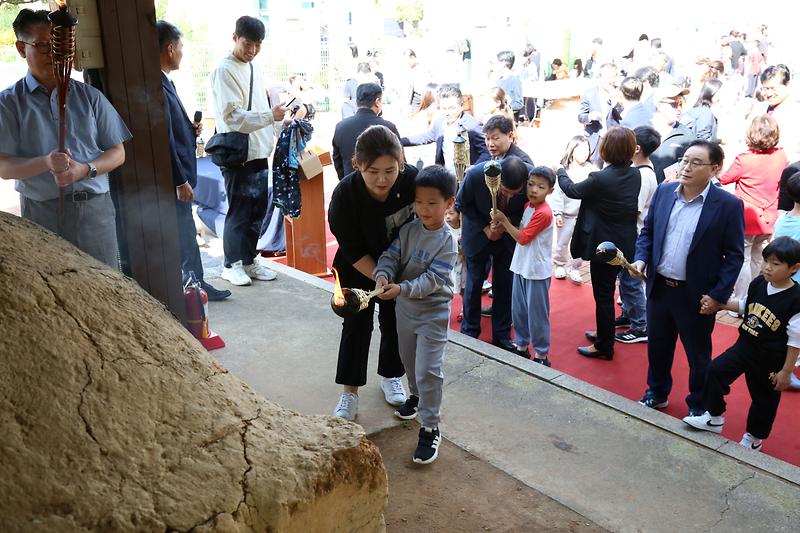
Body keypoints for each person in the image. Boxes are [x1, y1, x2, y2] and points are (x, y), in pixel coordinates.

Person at [0, 9, 132, 269]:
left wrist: (85, 169)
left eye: (56, 45)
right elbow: (4, 167)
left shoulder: (90, 97)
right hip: (41, 214)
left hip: (95, 211)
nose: (52, 53)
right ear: (20, 48)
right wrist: (46, 162)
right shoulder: (8, 103)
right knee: (56, 291)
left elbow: (118, 152)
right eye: (42, 46)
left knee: (104, 288)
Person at [632, 140, 744, 415]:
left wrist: (718, 295)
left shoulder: (728, 205)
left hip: (696, 294)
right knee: (658, 348)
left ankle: (698, 405)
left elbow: (734, 256)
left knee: (698, 355)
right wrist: (641, 258)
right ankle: (656, 393)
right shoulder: (664, 191)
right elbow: (648, 232)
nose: (686, 167)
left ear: (715, 169)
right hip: (659, 287)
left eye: (696, 162)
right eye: (684, 160)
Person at [328, 125, 416, 421]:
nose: (383, 179)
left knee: (394, 323)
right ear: (357, 165)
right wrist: (380, 277)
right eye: (373, 171)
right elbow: (352, 249)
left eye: (390, 170)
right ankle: (349, 393)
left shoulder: (413, 181)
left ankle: (391, 374)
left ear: (401, 162)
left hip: (399, 269)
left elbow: (434, 209)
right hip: (357, 267)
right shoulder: (344, 197)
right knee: (356, 327)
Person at [683, 237, 800, 452]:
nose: (767, 267)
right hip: (745, 344)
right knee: (715, 371)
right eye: (766, 261)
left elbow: (795, 340)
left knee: (764, 398)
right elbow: (746, 305)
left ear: (794, 268)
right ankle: (714, 417)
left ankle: (754, 438)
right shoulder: (759, 283)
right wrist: (717, 304)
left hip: (770, 358)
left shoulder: (796, 299)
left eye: (775, 264)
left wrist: (786, 371)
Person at [374, 165, 458, 464]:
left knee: (428, 371)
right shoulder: (409, 230)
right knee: (409, 362)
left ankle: (430, 426)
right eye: (419, 202)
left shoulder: (448, 241)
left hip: (433, 313)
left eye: (432, 203)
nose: (423, 208)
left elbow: (431, 281)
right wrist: (383, 275)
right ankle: (416, 396)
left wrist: (401, 289)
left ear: (449, 203)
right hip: (404, 311)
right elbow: (390, 256)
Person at [210, 16, 287, 287]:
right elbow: (233, 118)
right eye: (247, 43)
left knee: (257, 209)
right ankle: (230, 265)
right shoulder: (224, 69)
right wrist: (270, 116)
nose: (252, 50)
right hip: (236, 152)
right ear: (234, 37)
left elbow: (258, 111)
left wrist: (278, 121)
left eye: (258, 44)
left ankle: (249, 261)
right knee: (239, 209)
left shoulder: (254, 67)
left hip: (257, 149)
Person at [157, 20, 230, 301]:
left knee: (185, 232)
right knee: (185, 235)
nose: (183, 53)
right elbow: (163, 139)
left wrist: (190, 129)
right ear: (170, 48)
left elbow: (172, 130)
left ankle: (195, 284)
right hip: (175, 178)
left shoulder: (164, 81)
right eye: (182, 47)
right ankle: (194, 288)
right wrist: (179, 180)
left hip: (179, 175)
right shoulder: (157, 85)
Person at [556, 127, 641, 360]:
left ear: (606, 150)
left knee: (603, 295)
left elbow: (572, 190)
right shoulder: (634, 174)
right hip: (624, 241)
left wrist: (561, 171)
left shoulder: (600, 178)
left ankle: (604, 345)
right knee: (608, 291)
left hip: (603, 246)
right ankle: (605, 332)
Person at [456, 156, 530, 353]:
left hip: (506, 239)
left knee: (505, 285)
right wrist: (485, 228)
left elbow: (529, 209)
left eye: (515, 193)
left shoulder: (530, 176)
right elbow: (462, 203)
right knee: (474, 284)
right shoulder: (475, 175)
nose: (510, 196)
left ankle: (502, 334)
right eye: (505, 191)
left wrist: (506, 226)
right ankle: (470, 330)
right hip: (478, 235)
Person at [491, 166, 556, 366]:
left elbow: (523, 238)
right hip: (521, 265)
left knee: (537, 314)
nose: (534, 189)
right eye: (531, 184)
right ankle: (521, 346)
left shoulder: (544, 212)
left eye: (540, 187)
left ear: (550, 191)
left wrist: (503, 220)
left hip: (536, 270)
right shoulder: (529, 206)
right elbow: (520, 230)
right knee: (518, 309)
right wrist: (501, 225)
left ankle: (541, 355)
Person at [720, 114, 786, 303]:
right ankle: (755, 295)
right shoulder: (781, 156)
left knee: (743, 258)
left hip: (746, 217)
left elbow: (724, 178)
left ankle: (741, 298)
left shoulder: (745, 159)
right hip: (768, 216)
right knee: (759, 258)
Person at [614, 125, 661, 344]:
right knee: (626, 281)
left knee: (630, 280)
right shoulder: (646, 171)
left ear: (637, 148)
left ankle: (641, 325)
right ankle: (630, 314)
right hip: (634, 234)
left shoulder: (642, 176)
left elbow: (634, 211)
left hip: (634, 236)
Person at [401, 84, 489, 173]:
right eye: (443, 108)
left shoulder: (473, 125)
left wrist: (475, 168)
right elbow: (425, 137)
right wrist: (397, 140)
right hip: (445, 176)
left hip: (466, 177)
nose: (447, 113)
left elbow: (486, 151)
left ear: (461, 106)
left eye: (451, 108)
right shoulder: (440, 123)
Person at [331, 82, 400, 180]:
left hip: (351, 185)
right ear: (377, 101)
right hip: (382, 187)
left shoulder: (340, 127)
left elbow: (337, 161)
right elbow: (400, 161)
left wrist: (344, 182)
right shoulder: (389, 127)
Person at [551, 135, 593, 284]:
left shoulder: (592, 170)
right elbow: (558, 193)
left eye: (587, 149)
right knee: (562, 241)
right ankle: (560, 264)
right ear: (572, 150)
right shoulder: (564, 170)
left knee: (581, 243)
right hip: (567, 214)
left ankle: (575, 267)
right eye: (581, 149)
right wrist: (557, 213)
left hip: (583, 215)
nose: (585, 153)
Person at [649, 84, 696, 183]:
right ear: (659, 105)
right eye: (674, 104)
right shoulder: (643, 130)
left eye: (681, 104)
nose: (679, 109)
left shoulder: (687, 136)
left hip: (669, 194)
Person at [578, 63, 621, 167]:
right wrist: (589, 117)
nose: (612, 80)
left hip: (614, 139)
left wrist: (615, 100)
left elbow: (623, 115)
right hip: (595, 137)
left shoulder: (620, 93)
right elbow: (580, 117)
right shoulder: (589, 94)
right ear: (600, 77)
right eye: (609, 77)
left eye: (614, 76)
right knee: (594, 167)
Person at [494, 51, 524, 123]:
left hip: (508, 121)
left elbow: (519, 103)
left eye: (497, 62)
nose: (495, 65)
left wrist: (505, 108)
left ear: (503, 63)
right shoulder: (499, 80)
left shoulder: (515, 80)